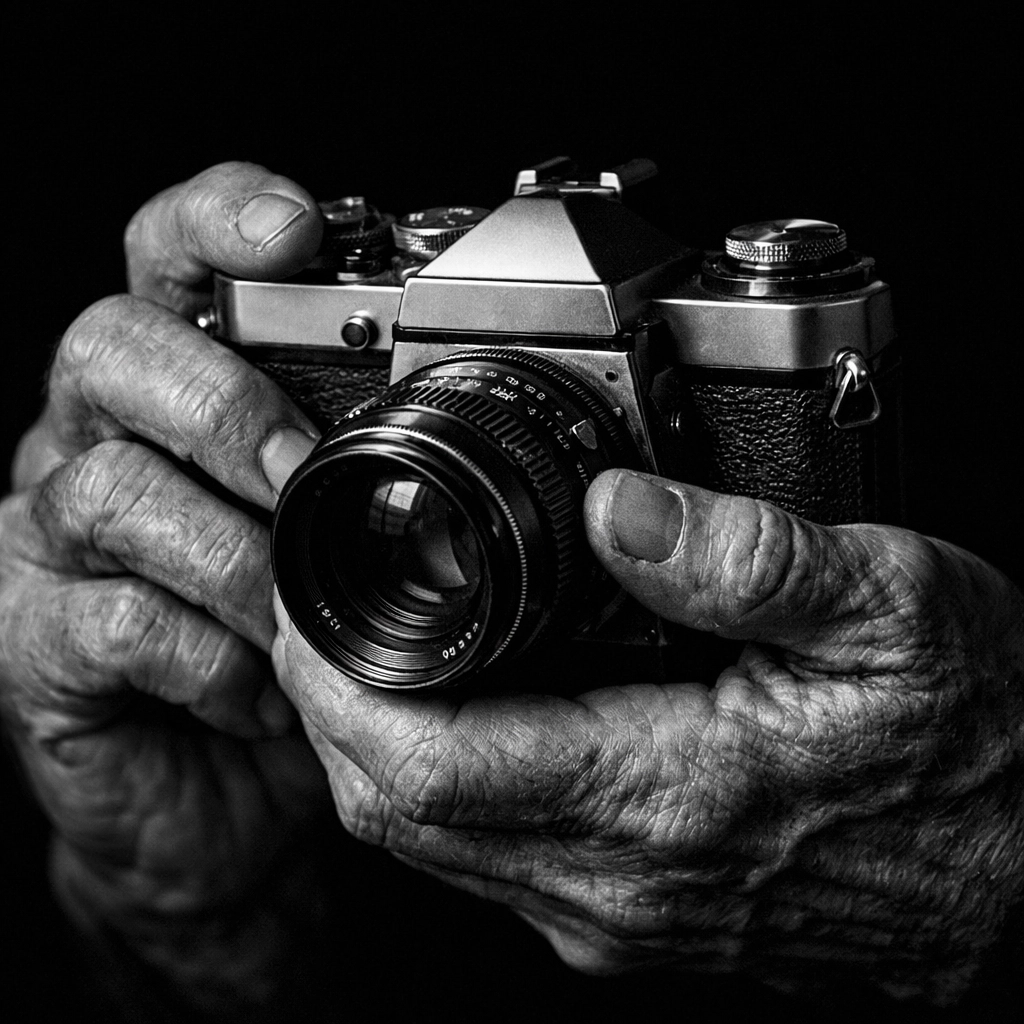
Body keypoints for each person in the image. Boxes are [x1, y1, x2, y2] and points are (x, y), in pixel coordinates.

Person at [0, 161, 1020, 1021]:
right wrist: (185, 908)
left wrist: (990, 856)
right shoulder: (302, 720)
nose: (432, 545)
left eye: (445, 534)